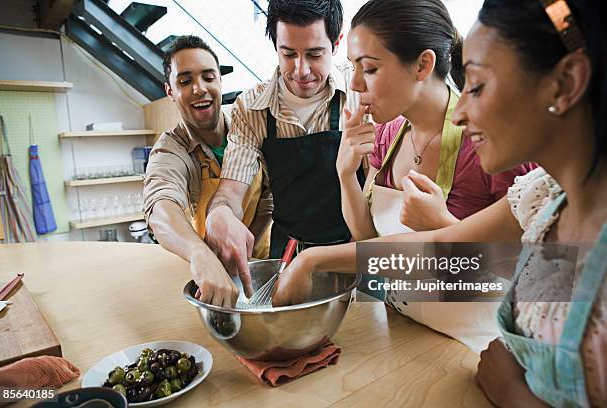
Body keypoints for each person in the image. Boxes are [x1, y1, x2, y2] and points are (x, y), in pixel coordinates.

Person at [274, 0, 606, 405]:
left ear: (566, 83)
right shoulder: (542, 198)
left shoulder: (522, 176)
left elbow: (485, 271)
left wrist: (515, 395)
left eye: (478, 86)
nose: (462, 109)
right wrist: (318, 248)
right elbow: (442, 256)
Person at [322, 0, 536, 352]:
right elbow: (370, 243)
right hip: (402, 331)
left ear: (423, 65)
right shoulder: (388, 134)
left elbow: (531, 280)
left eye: (370, 69)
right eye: (353, 68)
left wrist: (444, 226)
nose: (356, 84)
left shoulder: (491, 144)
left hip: (471, 349)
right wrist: (345, 175)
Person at [204, 0, 363, 298]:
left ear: (337, 42)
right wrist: (221, 214)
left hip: (353, 254)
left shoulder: (359, 93)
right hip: (286, 256)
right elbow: (231, 191)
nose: (301, 70)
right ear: (275, 44)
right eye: (288, 54)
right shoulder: (251, 108)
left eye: (315, 54)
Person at [143, 35, 272, 308]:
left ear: (220, 82)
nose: (199, 89)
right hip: (217, 276)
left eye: (208, 77)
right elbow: (161, 205)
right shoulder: (171, 149)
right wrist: (199, 254)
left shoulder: (250, 129)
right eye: (185, 81)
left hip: (269, 265)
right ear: (170, 91)